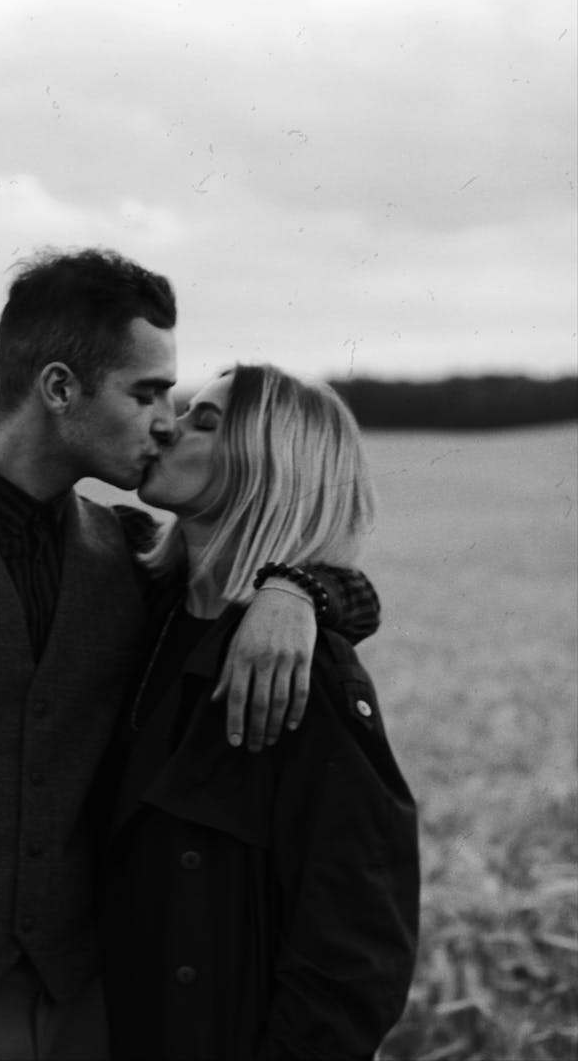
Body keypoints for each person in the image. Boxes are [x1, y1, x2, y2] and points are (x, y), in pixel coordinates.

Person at [0, 249, 380, 1061]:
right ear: (60, 389)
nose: (165, 418)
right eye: (146, 392)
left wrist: (298, 590)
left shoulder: (129, 554)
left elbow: (321, 590)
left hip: (83, 1008)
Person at [99, 364, 419, 1061]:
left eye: (204, 422)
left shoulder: (309, 674)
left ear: (270, 468)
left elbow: (356, 952)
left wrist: (301, 590)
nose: (165, 426)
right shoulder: (131, 595)